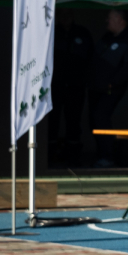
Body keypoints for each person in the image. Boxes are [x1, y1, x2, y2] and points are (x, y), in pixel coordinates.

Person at [88, 10, 128, 167]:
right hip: (97, 87)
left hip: (112, 89)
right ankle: (102, 154)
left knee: (101, 117)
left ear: (120, 19)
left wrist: (113, 83)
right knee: (94, 119)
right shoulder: (106, 37)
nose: (106, 19)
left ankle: (107, 157)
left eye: (110, 16)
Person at [49, 14, 93, 167]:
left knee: (73, 120)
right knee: (52, 120)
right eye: (63, 12)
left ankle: (73, 157)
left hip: (76, 85)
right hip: (55, 85)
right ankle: (50, 155)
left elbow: (90, 58)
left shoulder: (82, 33)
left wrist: (84, 79)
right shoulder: (51, 31)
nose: (65, 16)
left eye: (68, 12)